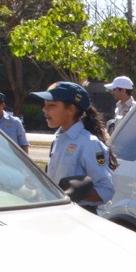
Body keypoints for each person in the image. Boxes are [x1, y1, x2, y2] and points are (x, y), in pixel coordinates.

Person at [30, 81, 117, 211]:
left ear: (71, 109)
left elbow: (105, 190)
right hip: (56, 213)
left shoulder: (88, 143)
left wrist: (74, 194)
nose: (45, 110)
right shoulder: (59, 138)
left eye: (52, 105)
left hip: (79, 216)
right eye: (45, 105)